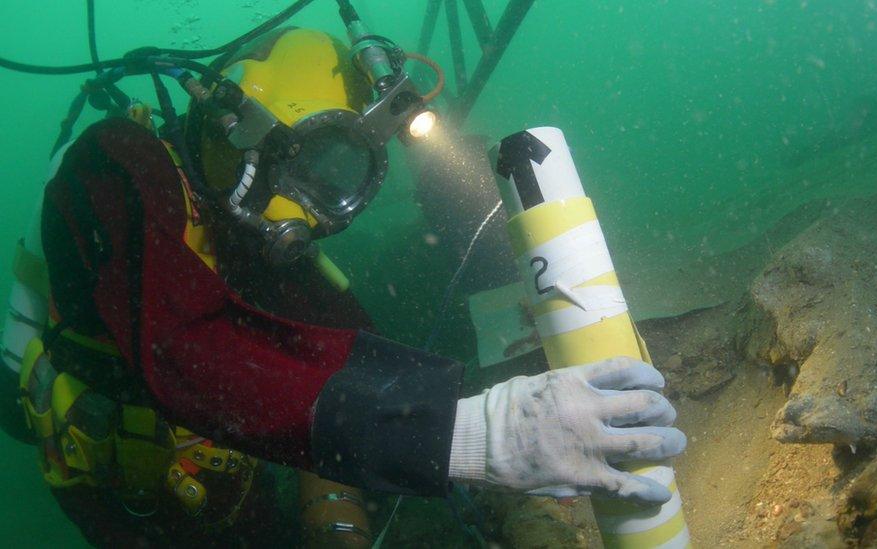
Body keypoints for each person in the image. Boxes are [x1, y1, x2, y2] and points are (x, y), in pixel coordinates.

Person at [2, 26, 685, 547]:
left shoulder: (240, 211)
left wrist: (479, 441)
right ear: (241, 129)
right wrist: (470, 432)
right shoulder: (118, 165)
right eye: (315, 165)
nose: (319, 212)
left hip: (219, 440)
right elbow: (183, 345)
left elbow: (348, 345)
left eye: (344, 175)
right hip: (123, 473)